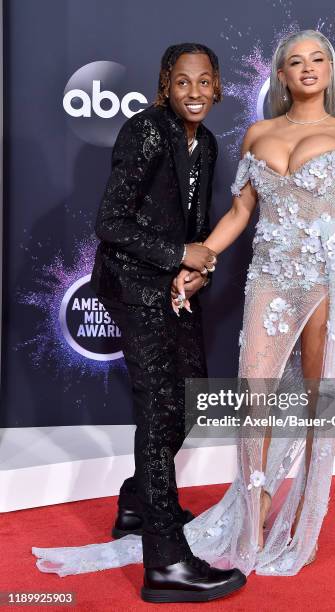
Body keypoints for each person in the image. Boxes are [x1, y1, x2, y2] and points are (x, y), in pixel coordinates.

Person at [32, 29, 335, 580]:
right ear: (279, 75)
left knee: (314, 399)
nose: (307, 69)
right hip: (270, 276)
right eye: (295, 62)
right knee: (255, 397)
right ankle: (252, 505)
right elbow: (237, 215)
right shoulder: (256, 134)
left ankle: (302, 513)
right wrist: (197, 261)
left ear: (330, 70)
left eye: (318, 60)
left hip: (332, 274)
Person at [32, 43, 246, 603]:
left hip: (172, 290)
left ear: (218, 87)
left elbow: (195, 231)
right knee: (158, 409)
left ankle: (135, 502)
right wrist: (180, 252)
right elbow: (111, 222)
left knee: (188, 403)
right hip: (132, 287)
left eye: (204, 82)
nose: (194, 92)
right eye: (182, 82)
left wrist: (192, 268)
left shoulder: (209, 144)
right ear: (165, 86)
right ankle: (167, 564)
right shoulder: (147, 130)